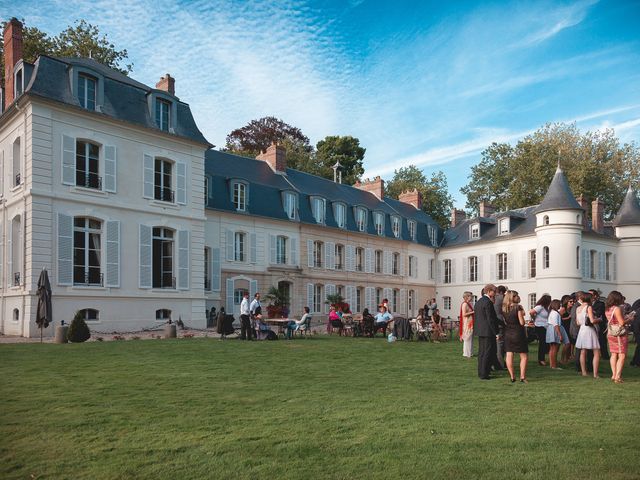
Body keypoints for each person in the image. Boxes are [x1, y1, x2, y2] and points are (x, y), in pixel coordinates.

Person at [605, 291, 631, 383]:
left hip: (611, 333)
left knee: (613, 354)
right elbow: (622, 322)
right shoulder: (616, 309)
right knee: (622, 355)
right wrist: (629, 319)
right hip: (619, 334)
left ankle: (613, 374)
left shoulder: (608, 308)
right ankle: (618, 376)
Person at [475, 284, 501, 380]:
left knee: (482, 352)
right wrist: (496, 333)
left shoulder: (479, 301)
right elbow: (491, 319)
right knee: (487, 352)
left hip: (480, 330)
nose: (494, 294)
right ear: (489, 291)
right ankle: (484, 374)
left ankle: (481, 372)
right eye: (494, 292)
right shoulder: (488, 302)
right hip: (487, 331)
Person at [502, 290, 528, 383]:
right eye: (516, 296)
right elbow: (522, 322)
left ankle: (512, 377)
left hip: (508, 332)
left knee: (509, 354)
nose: (518, 297)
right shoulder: (518, 307)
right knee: (523, 356)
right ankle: (522, 377)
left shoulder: (504, 308)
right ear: (512, 297)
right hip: (518, 333)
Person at [575, 292, 601, 378]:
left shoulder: (578, 308)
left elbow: (577, 322)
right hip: (589, 330)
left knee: (583, 351)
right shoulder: (588, 307)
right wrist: (599, 319)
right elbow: (592, 321)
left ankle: (584, 372)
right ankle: (595, 374)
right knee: (596, 351)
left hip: (582, 329)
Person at [529, 294, 551, 366]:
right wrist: (534, 318)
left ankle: (543, 358)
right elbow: (531, 312)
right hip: (540, 326)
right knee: (542, 343)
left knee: (545, 343)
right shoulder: (540, 307)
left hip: (545, 326)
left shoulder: (546, 308)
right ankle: (541, 359)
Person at [590, 289, 609, 361]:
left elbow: (599, 313)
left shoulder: (600, 304)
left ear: (595, 296)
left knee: (602, 341)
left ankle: (605, 356)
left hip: (600, 325)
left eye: (591, 294)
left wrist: (591, 312)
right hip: (592, 324)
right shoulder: (588, 303)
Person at [546, 299, 563, 369]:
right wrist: (560, 335)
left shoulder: (552, 312)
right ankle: (554, 365)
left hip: (550, 329)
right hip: (553, 330)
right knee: (554, 348)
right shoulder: (555, 313)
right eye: (560, 304)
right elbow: (556, 325)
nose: (560, 306)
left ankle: (552, 365)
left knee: (552, 348)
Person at [493, 286, 507, 369]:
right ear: (502, 292)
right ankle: (500, 364)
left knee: (495, 344)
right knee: (500, 345)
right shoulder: (501, 298)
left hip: (492, 322)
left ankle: (495, 363)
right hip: (500, 322)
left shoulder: (492, 298)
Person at [559, 295, 574, 363]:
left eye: (573, 301)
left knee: (569, 343)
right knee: (567, 344)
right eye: (570, 301)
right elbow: (559, 319)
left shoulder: (571, 309)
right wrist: (568, 318)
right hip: (564, 327)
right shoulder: (563, 309)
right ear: (566, 302)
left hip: (569, 327)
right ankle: (562, 359)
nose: (572, 303)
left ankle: (567, 358)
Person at [459, 291, 475, 357]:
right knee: (467, 337)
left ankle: (469, 352)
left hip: (470, 321)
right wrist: (473, 312)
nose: (472, 297)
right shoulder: (465, 304)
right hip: (467, 322)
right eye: (471, 296)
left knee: (470, 337)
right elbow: (464, 314)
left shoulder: (468, 304)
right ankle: (466, 353)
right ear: (467, 297)